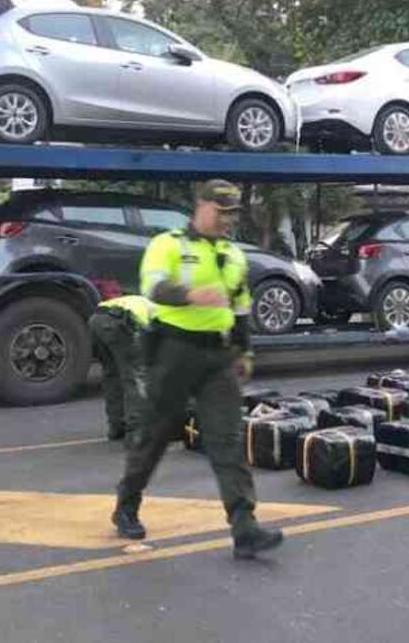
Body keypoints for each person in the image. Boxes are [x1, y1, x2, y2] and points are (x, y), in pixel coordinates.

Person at [111, 179, 283, 560]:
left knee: (228, 441)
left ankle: (244, 528)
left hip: (218, 356)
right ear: (201, 206)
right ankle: (127, 504)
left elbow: (240, 308)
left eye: (232, 214)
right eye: (221, 212)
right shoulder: (168, 244)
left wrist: (245, 351)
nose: (228, 220)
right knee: (155, 435)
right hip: (174, 351)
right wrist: (191, 295)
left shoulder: (233, 255)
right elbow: (152, 287)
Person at [88, 294, 154, 444]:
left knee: (112, 375)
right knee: (135, 376)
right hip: (120, 323)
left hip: (96, 320)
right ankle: (137, 432)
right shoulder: (164, 316)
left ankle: (116, 427)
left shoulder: (143, 301)